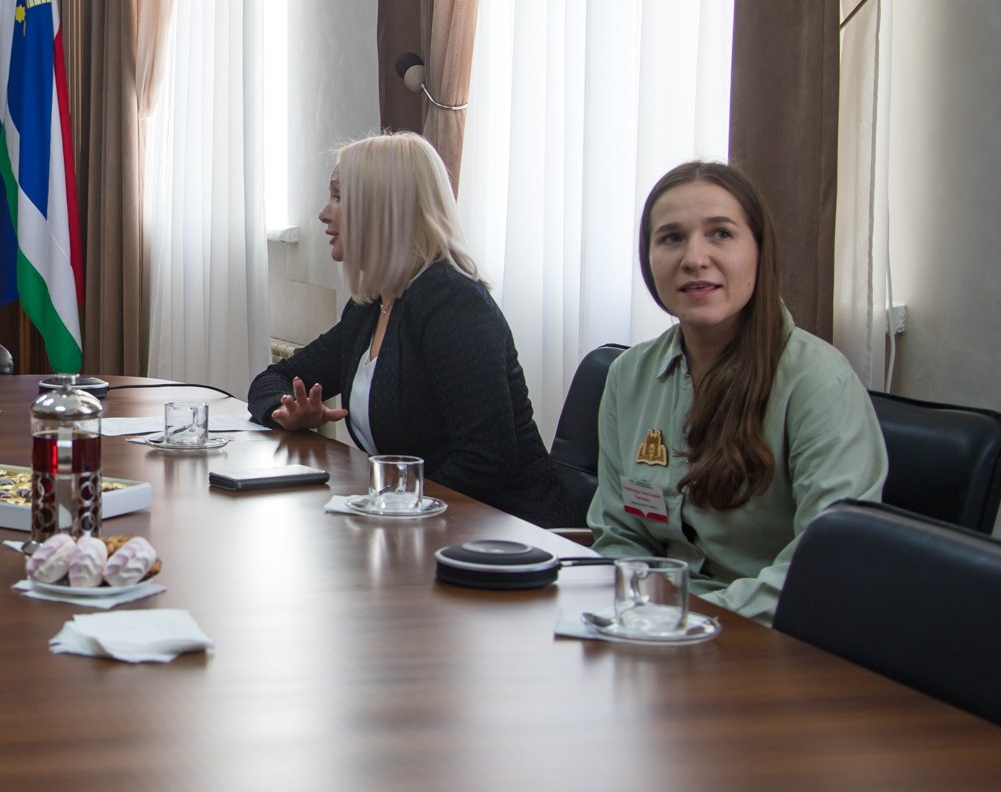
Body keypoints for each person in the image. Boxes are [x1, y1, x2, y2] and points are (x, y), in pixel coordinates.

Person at [588, 161, 887, 623]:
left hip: (775, 638)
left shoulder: (819, 383)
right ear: (648, 259)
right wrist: (645, 615)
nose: (694, 258)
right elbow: (619, 533)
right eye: (670, 238)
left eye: (721, 234)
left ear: (760, 251)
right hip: (656, 628)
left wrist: (694, 615)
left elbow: (828, 561)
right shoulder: (629, 376)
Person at [248, 133, 584, 528]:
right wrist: (286, 411)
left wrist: (390, 506)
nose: (324, 213)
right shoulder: (371, 306)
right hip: (424, 529)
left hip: (509, 537)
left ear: (383, 208)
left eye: (338, 197)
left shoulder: (451, 300)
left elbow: (486, 459)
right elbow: (273, 378)